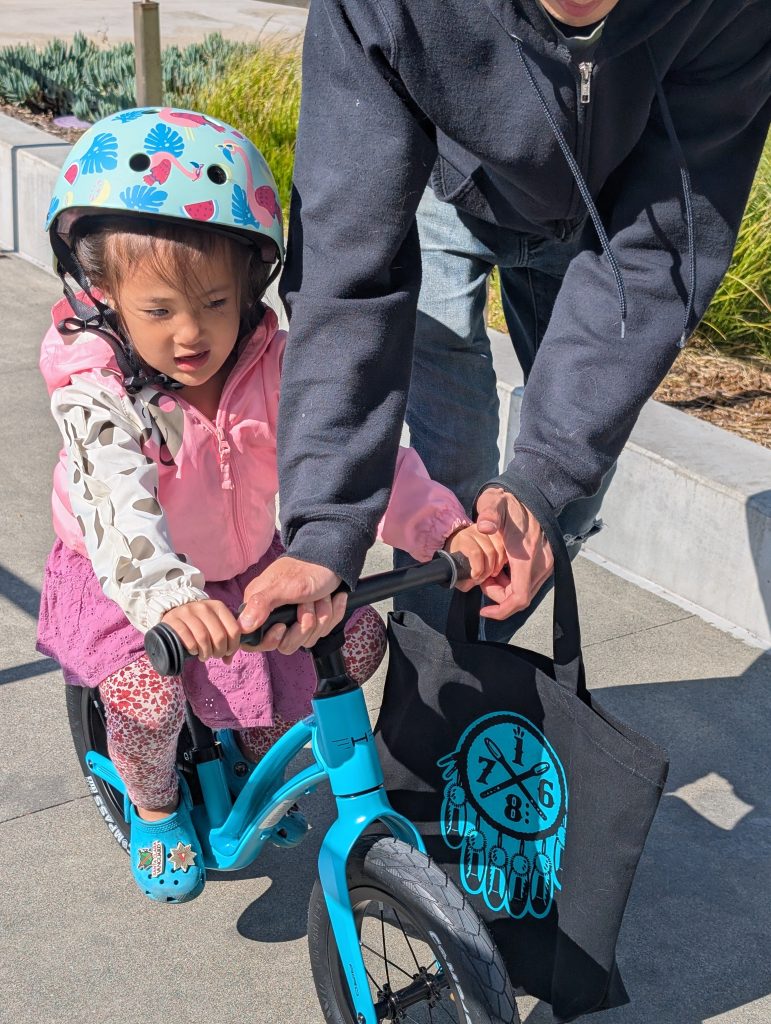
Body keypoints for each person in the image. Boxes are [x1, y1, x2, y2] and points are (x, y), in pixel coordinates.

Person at [36, 108, 505, 904]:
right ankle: (153, 809)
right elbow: (113, 500)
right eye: (159, 311)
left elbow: (358, 456)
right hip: (135, 578)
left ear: (252, 286)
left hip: (249, 561)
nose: (191, 334)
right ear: (106, 294)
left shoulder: (279, 365)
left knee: (351, 640)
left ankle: (261, 757)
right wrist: (168, 598)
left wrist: (439, 528)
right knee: (149, 699)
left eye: (215, 303)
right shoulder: (98, 386)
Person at [238, 0, 771, 648]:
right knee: (448, 467)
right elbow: (347, 270)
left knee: (560, 493)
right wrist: (324, 527)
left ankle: (473, 663)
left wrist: (542, 480)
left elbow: (659, 252)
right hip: (438, 187)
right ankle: (432, 695)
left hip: (609, 217)